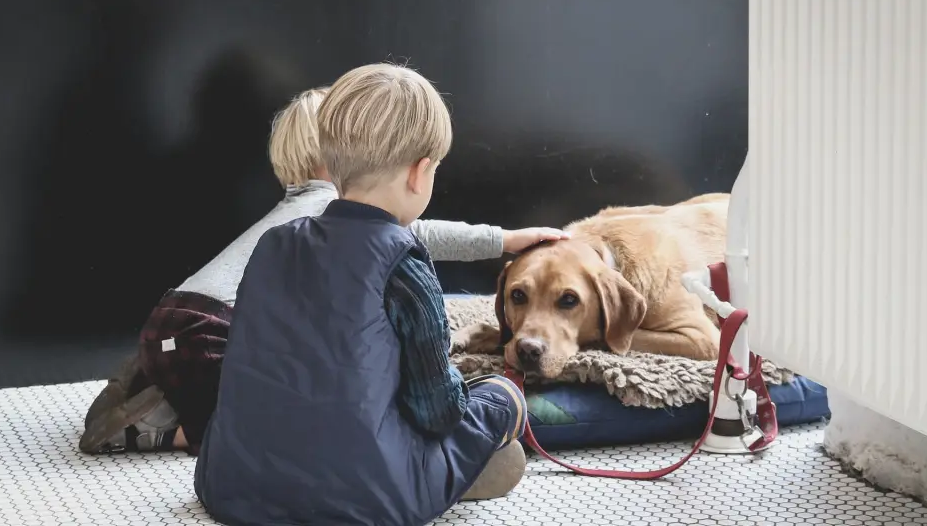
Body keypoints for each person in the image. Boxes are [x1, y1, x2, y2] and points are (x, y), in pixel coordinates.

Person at [79, 85, 565, 457]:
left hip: (175, 321)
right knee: (250, 426)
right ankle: (155, 430)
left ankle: (150, 383)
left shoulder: (296, 213)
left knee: (238, 383)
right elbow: (421, 233)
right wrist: (503, 239)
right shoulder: (331, 212)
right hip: (209, 330)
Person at [194, 62, 552, 526]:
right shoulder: (402, 262)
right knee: (500, 397)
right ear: (420, 173)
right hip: (366, 499)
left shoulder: (274, 243)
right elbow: (438, 411)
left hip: (233, 483)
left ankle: (437, 470)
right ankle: (454, 470)